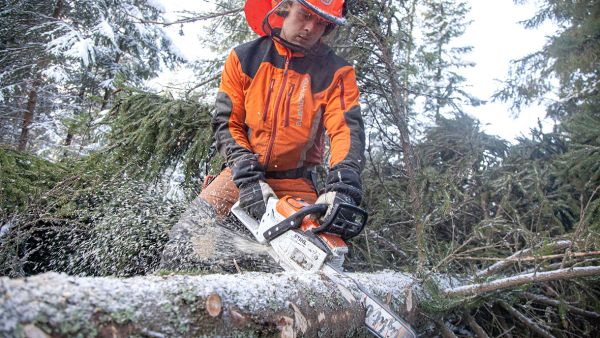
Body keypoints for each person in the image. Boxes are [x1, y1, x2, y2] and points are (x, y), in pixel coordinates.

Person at [201, 0, 366, 225]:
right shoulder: (245, 58)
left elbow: (345, 130)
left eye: (320, 22)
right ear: (285, 7)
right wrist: (247, 177)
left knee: (316, 251)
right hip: (240, 174)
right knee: (190, 237)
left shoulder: (336, 73)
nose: (310, 28)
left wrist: (343, 183)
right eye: (305, 15)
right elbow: (227, 123)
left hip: (296, 183)